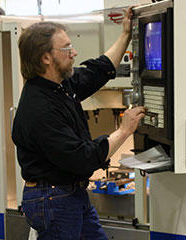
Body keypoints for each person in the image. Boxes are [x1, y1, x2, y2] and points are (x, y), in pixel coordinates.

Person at [12, 6, 145, 240]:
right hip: (53, 200)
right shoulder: (40, 109)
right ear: (46, 58)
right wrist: (124, 131)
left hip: (70, 194)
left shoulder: (60, 86)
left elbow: (99, 70)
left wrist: (126, 34)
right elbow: (83, 159)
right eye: (66, 48)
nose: (74, 53)